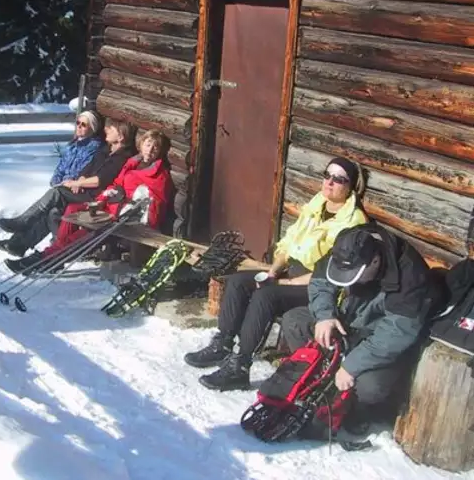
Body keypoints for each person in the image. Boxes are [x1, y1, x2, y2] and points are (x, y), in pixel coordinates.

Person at [184, 157, 368, 391]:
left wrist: (284, 282)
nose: (330, 183)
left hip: (320, 287)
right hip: (292, 272)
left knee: (266, 296)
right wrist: (272, 271)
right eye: (327, 175)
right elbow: (289, 240)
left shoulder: (353, 222)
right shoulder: (316, 204)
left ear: (350, 186)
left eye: (339, 179)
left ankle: (240, 367)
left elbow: (331, 273)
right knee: (240, 281)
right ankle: (223, 342)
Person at [281, 224, 442, 431]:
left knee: (370, 387)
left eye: (355, 275)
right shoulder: (347, 244)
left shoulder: (410, 276)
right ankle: (316, 379)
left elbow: (396, 334)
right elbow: (320, 281)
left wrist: (351, 366)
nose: (349, 282)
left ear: (375, 261)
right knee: (294, 320)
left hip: (380, 340)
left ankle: (355, 411)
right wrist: (325, 316)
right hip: (349, 321)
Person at [5, 129, 174, 273]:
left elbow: (156, 204)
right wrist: (106, 196)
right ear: (142, 144)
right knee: (72, 209)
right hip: (108, 206)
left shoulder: (160, 174)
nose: (150, 149)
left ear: (159, 151)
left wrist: (131, 207)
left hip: (124, 218)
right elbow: (116, 184)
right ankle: (55, 256)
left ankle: (40, 260)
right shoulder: (132, 163)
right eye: (148, 144)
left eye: (155, 146)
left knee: (81, 236)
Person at [0, 118, 137, 257]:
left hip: (94, 199)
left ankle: (23, 221)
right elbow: (88, 168)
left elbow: (100, 180)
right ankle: (18, 245)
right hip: (84, 192)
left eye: (111, 129)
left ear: (121, 136)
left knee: (57, 193)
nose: (107, 130)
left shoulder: (122, 157)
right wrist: (80, 179)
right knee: (52, 211)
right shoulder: (106, 150)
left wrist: (77, 184)